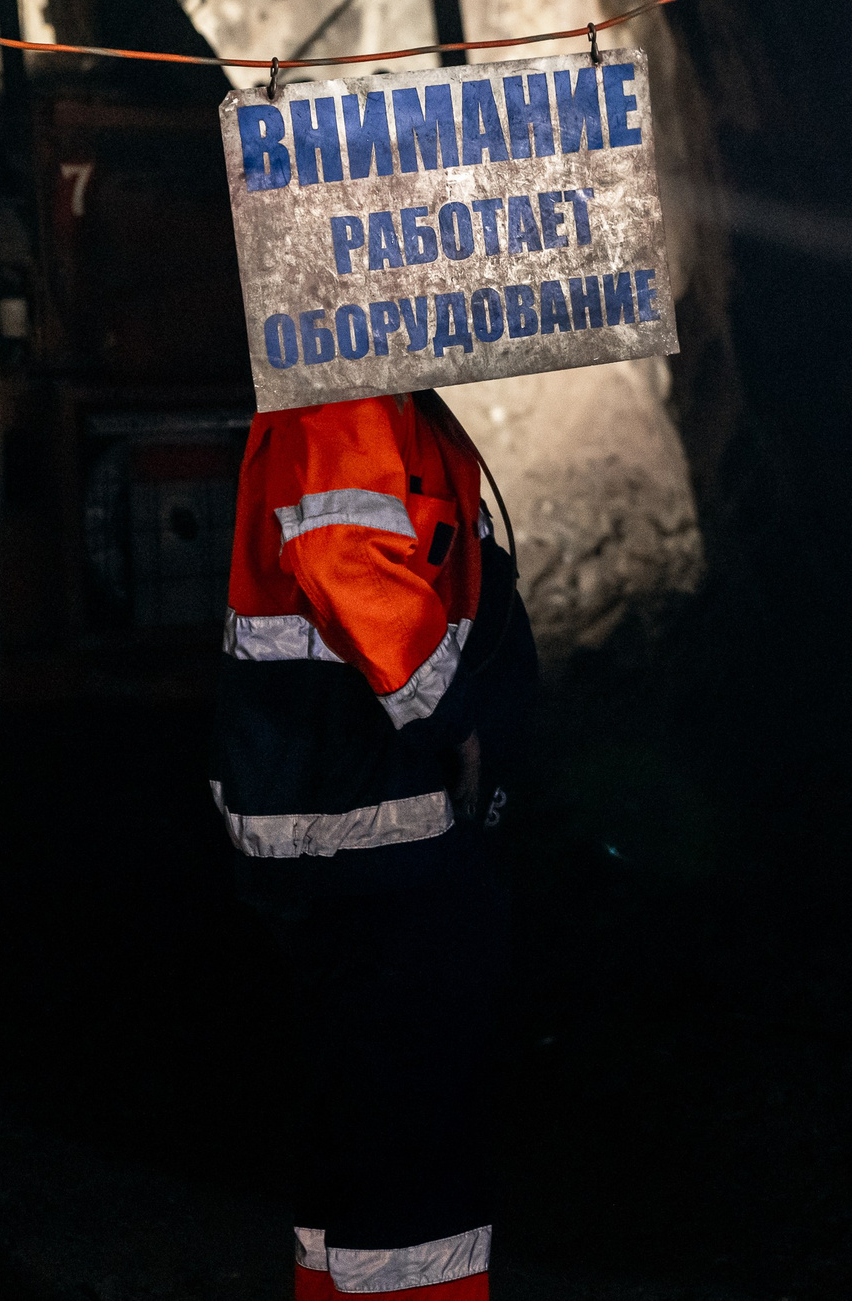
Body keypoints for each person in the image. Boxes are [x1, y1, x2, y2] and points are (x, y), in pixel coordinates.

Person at [211, 387, 538, 1300]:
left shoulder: (390, 398)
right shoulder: (342, 392)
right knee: (410, 1154)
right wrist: (458, 720)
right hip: (366, 830)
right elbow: (342, 554)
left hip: (370, 829)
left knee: (358, 1151)